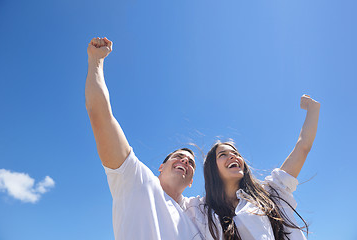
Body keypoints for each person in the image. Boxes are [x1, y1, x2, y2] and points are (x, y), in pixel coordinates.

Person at [85, 37, 202, 240]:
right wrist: (96, 61)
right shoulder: (136, 178)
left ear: (191, 181)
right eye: (178, 156)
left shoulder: (196, 222)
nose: (184, 160)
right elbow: (100, 115)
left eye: (191, 162)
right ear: (161, 167)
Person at [184, 95, 320, 240]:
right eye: (223, 154)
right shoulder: (199, 209)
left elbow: (303, 147)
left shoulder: (270, 193)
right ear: (212, 169)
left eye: (235, 153)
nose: (233, 156)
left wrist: (313, 108)